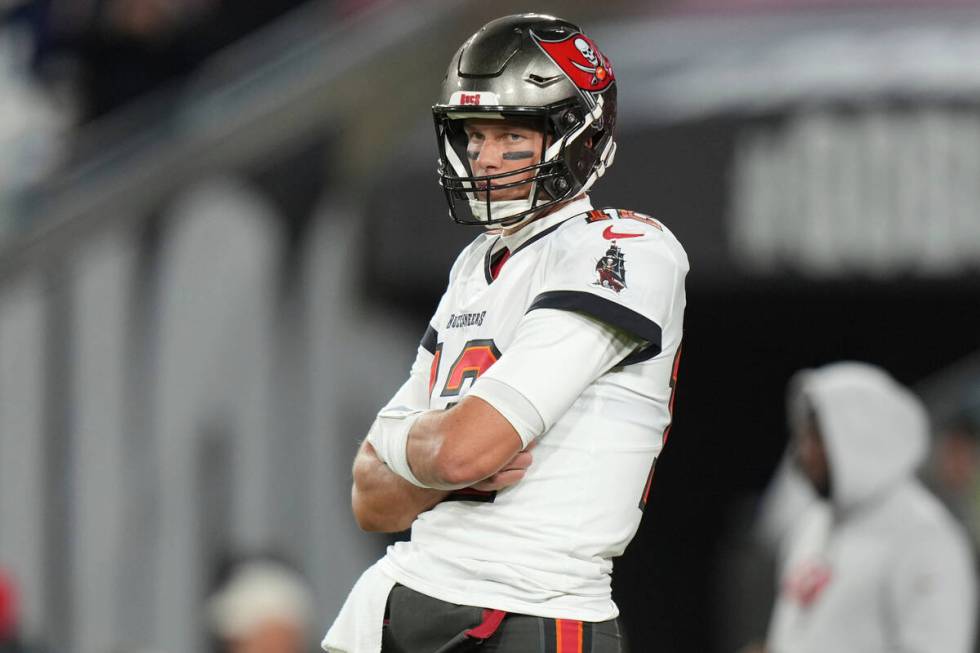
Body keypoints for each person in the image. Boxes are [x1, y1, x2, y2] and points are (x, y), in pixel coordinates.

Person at [323, 13, 688, 653]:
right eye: (475, 136)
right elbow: (369, 496)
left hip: (528, 609)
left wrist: (412, 452)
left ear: (578, 136)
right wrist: (430, 458)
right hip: (405, 591)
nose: (485, 158)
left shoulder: (626, 249)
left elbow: (464, 451)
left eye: (512, 136)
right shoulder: (477, 263)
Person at [763, 362, 977, 653]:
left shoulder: (925, 536)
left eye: (817, 439)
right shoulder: (813, 523)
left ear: (859, 435)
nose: (803, 454)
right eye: (803, 437)